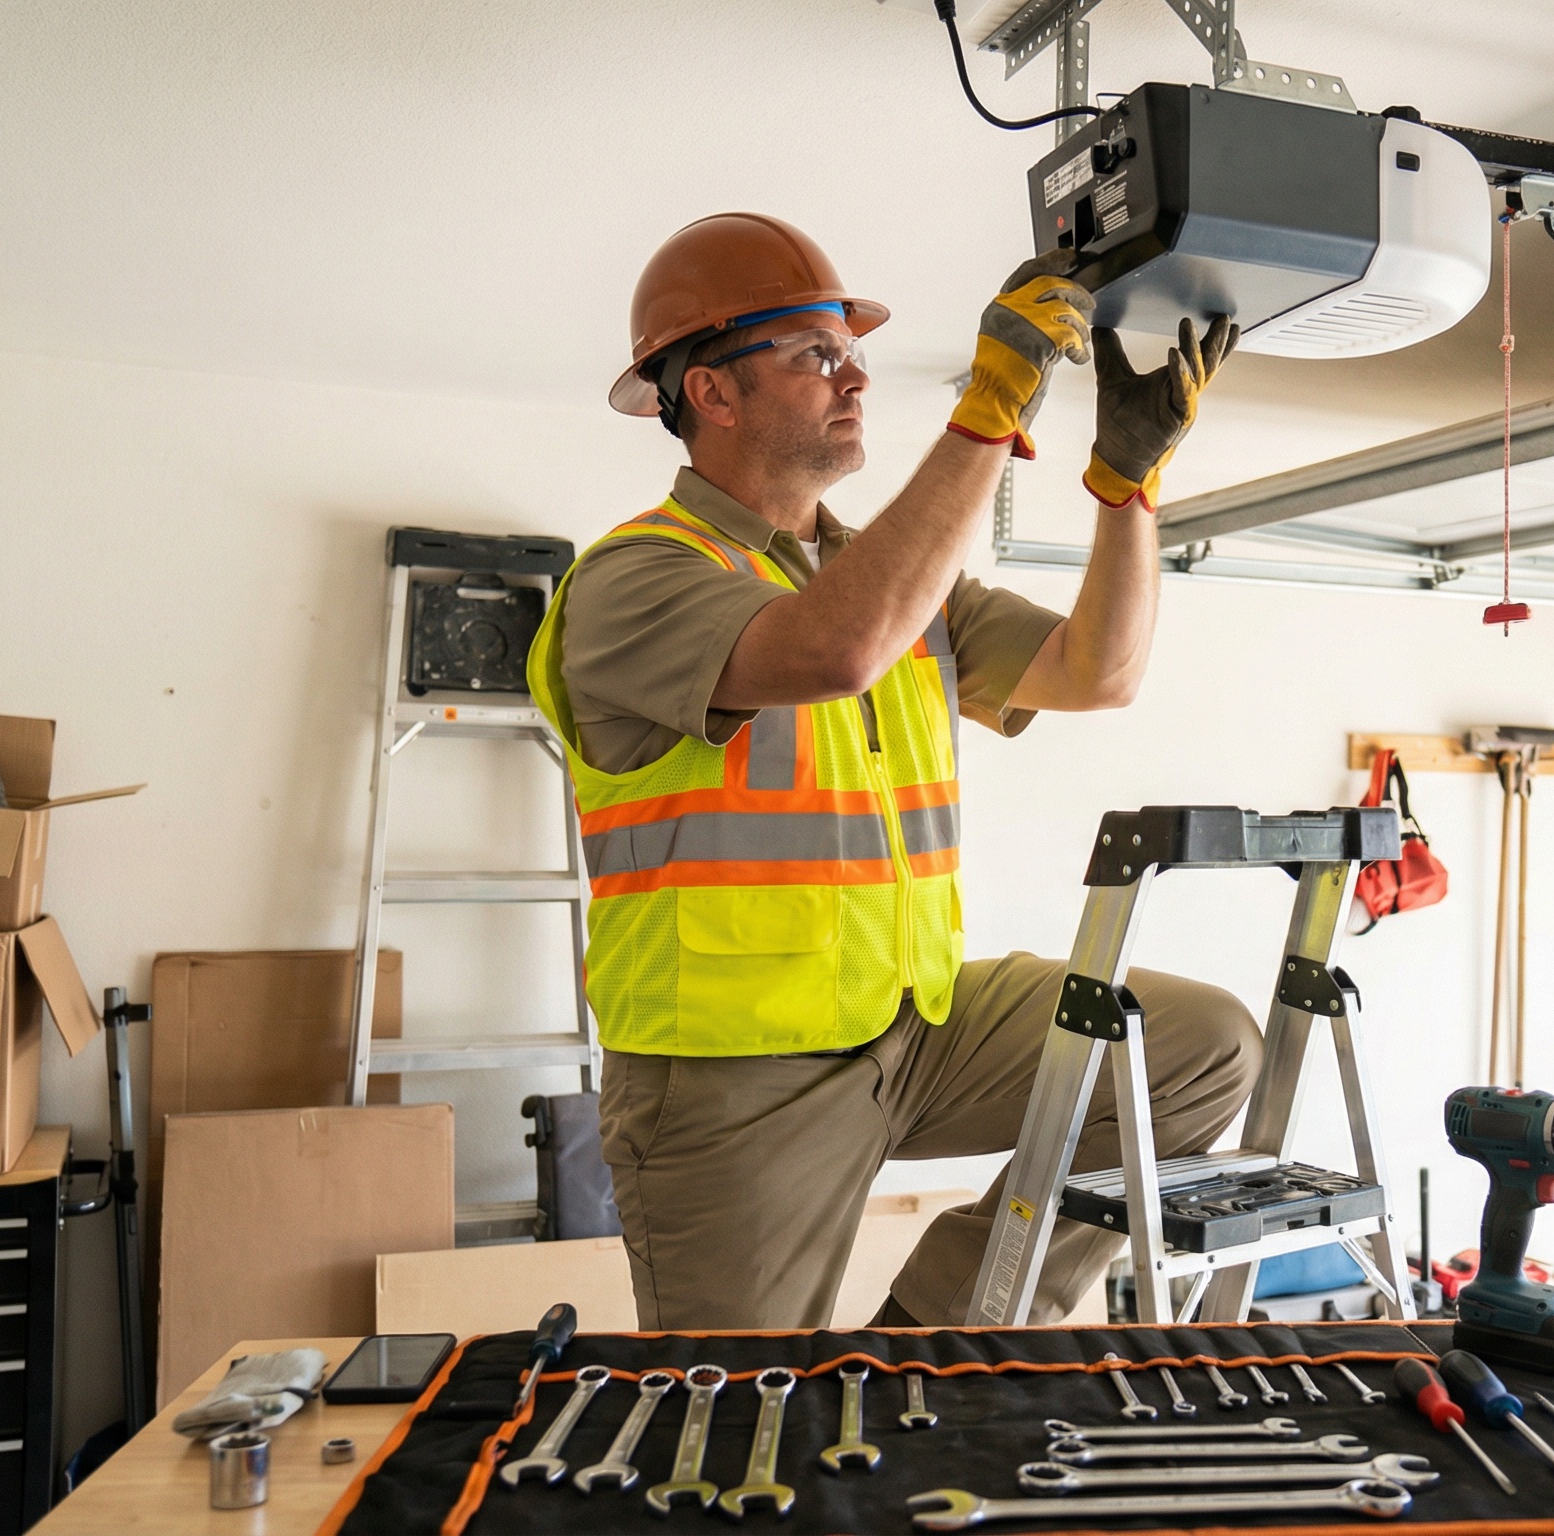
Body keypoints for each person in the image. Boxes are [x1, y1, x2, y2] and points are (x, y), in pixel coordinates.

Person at [527, 211, 1254, 1329]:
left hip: (919, 1023)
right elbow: (833, 649)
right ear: (710, 394)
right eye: (816, 356)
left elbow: (1097, 672)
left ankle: (936, 1340)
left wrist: (1125, 490)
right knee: (732, 1421)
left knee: (1199, 1050)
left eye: (853, 354)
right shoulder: (635, 578)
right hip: (734, 1073)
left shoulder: (889, 581)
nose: (853, 379)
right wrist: (988, 411)